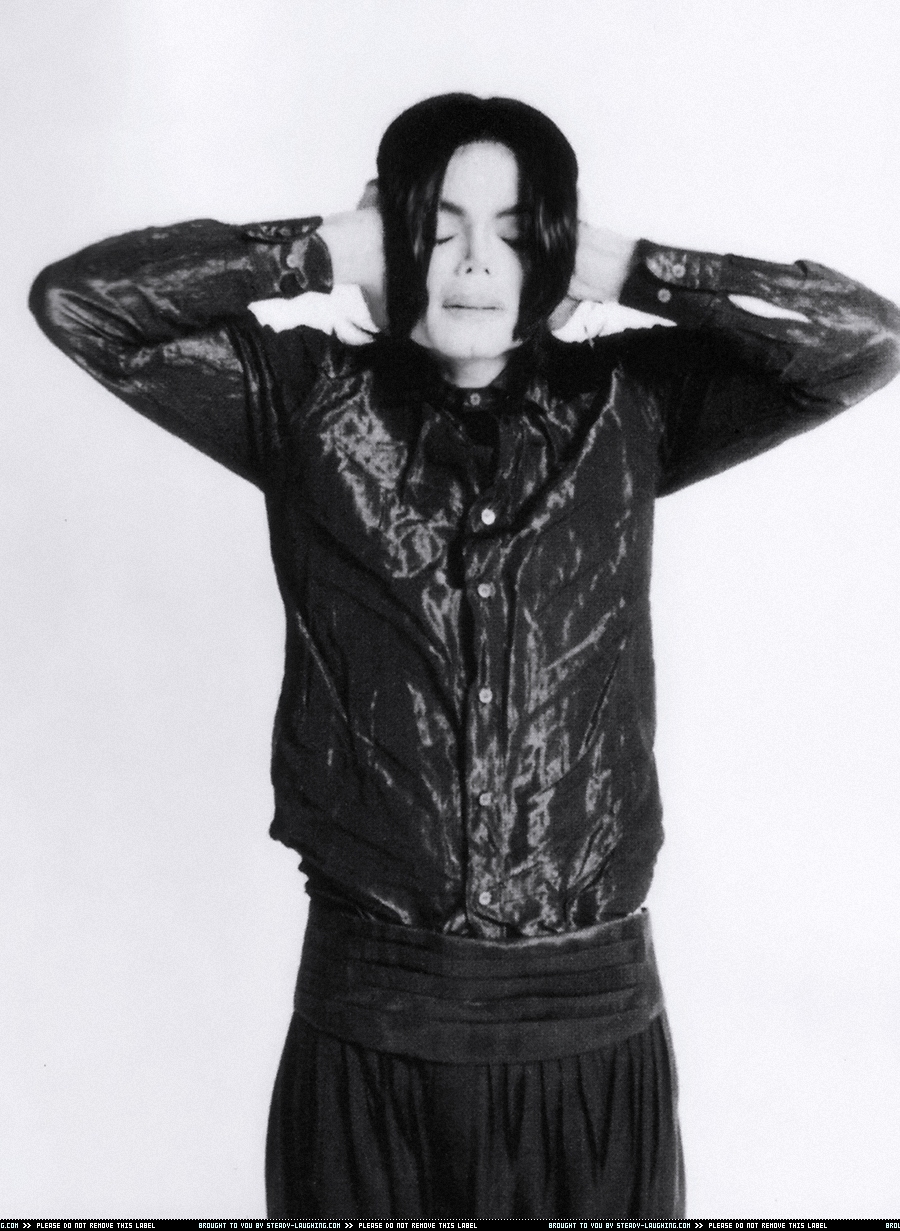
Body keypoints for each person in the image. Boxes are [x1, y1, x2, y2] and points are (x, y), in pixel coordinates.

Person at [29, 93, 900, 1218]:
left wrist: (622, 264)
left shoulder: (630, 406)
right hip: (368, 1030)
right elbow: (83, 306)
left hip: (589, 1038)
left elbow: (860, 342)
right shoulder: (302, 405)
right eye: (436, 229)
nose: (476, 263)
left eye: (516, 233)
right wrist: (324, 249)